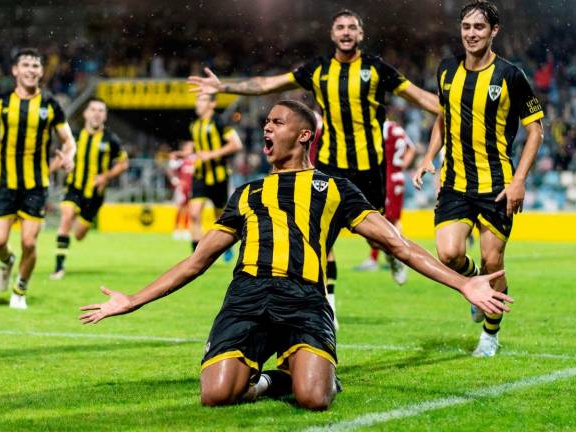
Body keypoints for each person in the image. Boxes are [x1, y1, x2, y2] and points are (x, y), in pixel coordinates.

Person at [79, 100, 512, 411]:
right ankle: (274, 378)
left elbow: (399, 245)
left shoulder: (335, 190)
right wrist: (131, 301)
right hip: (246, 298)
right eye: (265, 122)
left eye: (277, 122)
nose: (266, 128)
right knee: (216, 395)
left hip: (304, 298)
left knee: (314, 399)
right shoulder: (246, 194)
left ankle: (304, 374)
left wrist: (463, 282)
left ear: (304, 134)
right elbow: (196, 262)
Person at [188, 9, 440, 325]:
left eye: (352, 27)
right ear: (332, 34)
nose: (346, 32)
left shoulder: (377, 69)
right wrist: (225, 88)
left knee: (376, 237)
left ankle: (389, 255)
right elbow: (268, 84)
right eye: (340, 27)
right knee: (318, 235)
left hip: (368, 168)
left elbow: (422, 98)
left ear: (360, 34)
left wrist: (456, 108)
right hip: (330, 166)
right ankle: (328, 303)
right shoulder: (317, 69)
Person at [413, 0, 544, 357]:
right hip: (455, 183)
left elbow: (536, 132)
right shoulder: (445, 70)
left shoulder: (511, 75)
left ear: (494, 32)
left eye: (479, 28)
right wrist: (428, 155)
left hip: (497, 186)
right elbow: (444, 116)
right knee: (449, 254)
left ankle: (489, 334)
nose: (471, 34)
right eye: (467, 27)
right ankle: (475, 285)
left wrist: (518, 182)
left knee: (493, 263)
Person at [0, 48, 76, 309]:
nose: (31, 70)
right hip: (4, 184)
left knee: (28, 241)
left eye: (36, 65)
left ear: (41, 72)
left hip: (36, 185)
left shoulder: (50, 104)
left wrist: (69, 157)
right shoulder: (1, 102)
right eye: (25, 65)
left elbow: (68, 141)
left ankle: (19, 290)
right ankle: (7, 262)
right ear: (15, 70)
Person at [50, 98, 129, 280]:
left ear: (105, 116)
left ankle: (74, 233)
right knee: (66, 217)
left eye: (101, 110)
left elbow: (123, 163)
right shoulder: (75, 137)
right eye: (93, 109)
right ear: (85, 113)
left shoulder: (111, 140)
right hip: (74, 187)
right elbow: (61, 158)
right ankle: (58, 268)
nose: (96, 113)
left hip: (94, 195)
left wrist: (105, 176)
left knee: (78, 234)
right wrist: (46, 172)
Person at [355, 117, 416, 285]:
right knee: (391, 219)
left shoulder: (378, 127)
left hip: (384, 177)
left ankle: (396, 257)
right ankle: (393, 256)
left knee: (378, 218)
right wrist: (402, 165)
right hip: (397, 176)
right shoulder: (398, 129)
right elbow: (413, 148)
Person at [184, 94, 242, 254]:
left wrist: (212, 154)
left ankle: (226, 246)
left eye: (201, 100)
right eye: (197, 100)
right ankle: (196, 254)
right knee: (194, 214)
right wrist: (183, 154)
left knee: (221, 219)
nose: (197, 103)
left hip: (219, 176)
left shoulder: (219, 122)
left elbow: (236, 144)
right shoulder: (194, 125)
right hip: (200, 175)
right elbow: (194, 147)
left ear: (212, 103)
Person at [166, 141, 196, 241]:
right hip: (182, 188)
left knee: (189, 208)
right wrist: (174, 180)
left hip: (191, 188)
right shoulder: (181, 161)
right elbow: (169, 167)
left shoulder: (195, 159)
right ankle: (176, 229)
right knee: (180, 207)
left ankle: (186, 229)